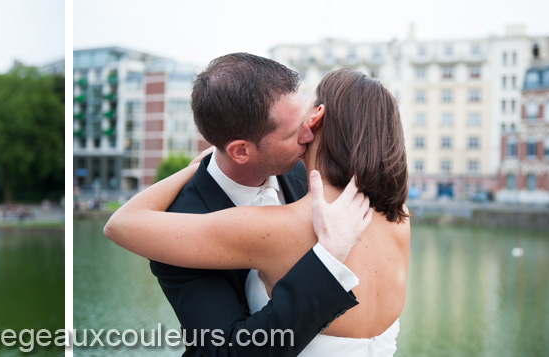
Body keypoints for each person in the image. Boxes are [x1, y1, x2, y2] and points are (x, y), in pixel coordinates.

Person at [106, 68, 410, 355]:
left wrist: (328, 260)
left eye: (306, 103)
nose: (303, 129)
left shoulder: (270, 226)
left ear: (318, 116)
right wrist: (197, 169)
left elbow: (121, 225)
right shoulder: (399, 215)